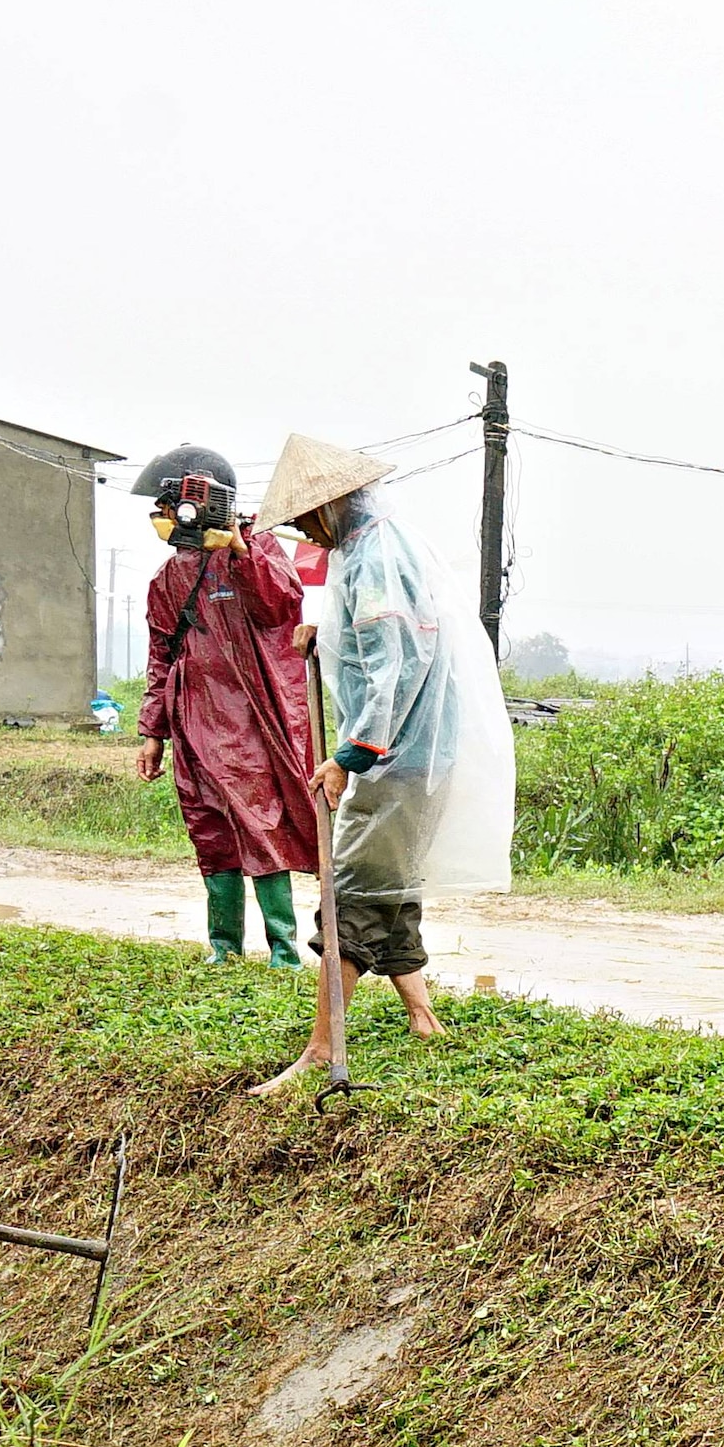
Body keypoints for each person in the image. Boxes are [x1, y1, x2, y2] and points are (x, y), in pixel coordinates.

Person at [259, 436, 515, 1094]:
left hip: (397, 751)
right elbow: (374, 636)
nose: (304, 532)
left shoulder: (374, 554)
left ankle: (322, 1047)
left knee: (348, 895)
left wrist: (351, 754)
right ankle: (422, 1016)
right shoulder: (368, 544)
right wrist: (327, 633)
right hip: (416, 749)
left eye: (304, 518)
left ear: (330, 503)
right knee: (390, 886)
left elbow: (395, 663)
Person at [132, 441, 327, 965]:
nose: (163, 517)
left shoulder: (257, 549)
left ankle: (283, 950)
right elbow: (160, 656)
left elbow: (281, 606)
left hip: (249, 721)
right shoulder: (167, 578)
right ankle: (224, 948)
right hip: (192, 717)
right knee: (210, 830)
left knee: (261, 826)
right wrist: (154, 733)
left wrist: (242, 550)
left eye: (168, 505)